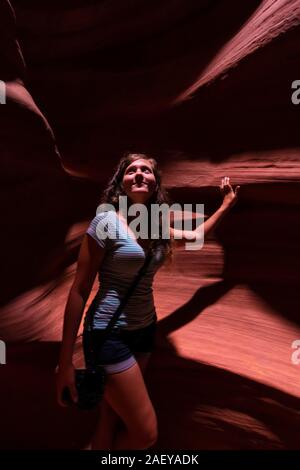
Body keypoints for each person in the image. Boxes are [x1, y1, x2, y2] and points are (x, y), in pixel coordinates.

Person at [56, 152, 240, 450]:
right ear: (121, 184)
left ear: (155, 183)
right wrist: (64, 363)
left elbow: (196, 237)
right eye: (131, 170)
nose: (139, 174)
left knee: (110, 418)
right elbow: (79, 290)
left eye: (146, 170)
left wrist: (226, 205)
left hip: (144, 331)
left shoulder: (155, 227)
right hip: (108, 333)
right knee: (145, 435)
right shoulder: (106, 222)